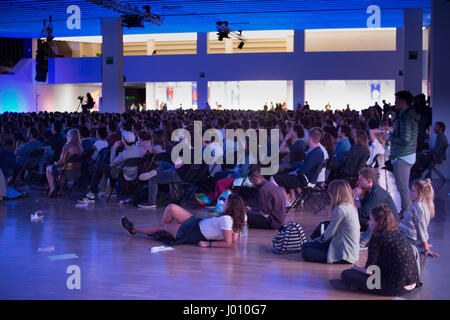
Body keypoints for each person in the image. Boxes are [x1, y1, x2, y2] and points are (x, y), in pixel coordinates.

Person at [335, 204, 421, 297]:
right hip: (412, 283)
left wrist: (356, 268)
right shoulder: (396, 233)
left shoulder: (377, 238)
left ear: (379, 222)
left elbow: (369, 271)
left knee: (347, 274)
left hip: (397, 287)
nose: (368, 222)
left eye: (371, 220)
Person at [120, 194, 245, 248]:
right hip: (196, 223)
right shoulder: (230, 219)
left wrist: (209, 244)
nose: (223, 203)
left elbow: (228, 242)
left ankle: (134, 230)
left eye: (226, 202)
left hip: (192, 232)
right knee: (171, 208)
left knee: (162, 226)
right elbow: (233, 239)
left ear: (231, 207)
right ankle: (162, 232)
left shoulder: (227, 220)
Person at [301, 179, 360, 264]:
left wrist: (316, 241)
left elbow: (329, 232)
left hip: (343, 254)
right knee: (307, 246)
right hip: (350, 251)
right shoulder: (350, 205)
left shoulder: (341, 209)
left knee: (306, 252)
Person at [271, 127, 324, 204]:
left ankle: (285, 202)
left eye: (307, 136)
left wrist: (294, 172)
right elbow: (306, 166)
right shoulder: (318, 151)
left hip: (305, 180)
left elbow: (303, 170)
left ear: (310, 138)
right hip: (308, 178)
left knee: (274, 178)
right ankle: (290, 199)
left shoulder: (315, 153)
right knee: (283, 174)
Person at [389, 91, 420, 218]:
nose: (395, 103)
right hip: (407, 154)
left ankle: (406, 212)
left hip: (403, 155)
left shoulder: (405, 118)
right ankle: (406, 210)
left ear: (403, 102)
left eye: (397, 101)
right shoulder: (407, 116)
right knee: (403, 186)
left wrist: (389, 137)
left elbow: (405, 139)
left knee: (402, 187)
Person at [400, 179, 439, 257]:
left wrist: (426, 247)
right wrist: (424, 243)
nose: (410, 193)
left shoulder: (418, 207)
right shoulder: (422, 206)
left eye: (413, 191)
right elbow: (422, 227)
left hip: (405, 237)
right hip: (404, 235)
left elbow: (421, 228)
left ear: (420, 194)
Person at [355, 167, 399, 233]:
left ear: (369, 181)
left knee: (356, 218)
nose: (359, 182)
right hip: (381, 220)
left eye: (361, 180)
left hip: (389, 226)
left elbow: (362, 213)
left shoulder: (376, 194)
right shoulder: (370, 190)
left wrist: (357, 198)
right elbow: (363, 206)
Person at [46, 129, 84, 198]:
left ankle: (52, 189)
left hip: (67, 173)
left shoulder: (67, 146)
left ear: (69, 136)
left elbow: (61, 162)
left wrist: (56, 164)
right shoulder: (80, 147)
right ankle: (58, 191)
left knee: (48, 168)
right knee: (62, 170)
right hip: (77, 173)